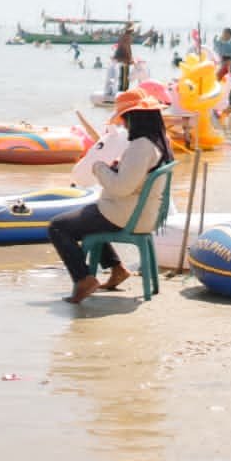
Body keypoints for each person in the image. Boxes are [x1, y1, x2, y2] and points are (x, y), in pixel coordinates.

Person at [49, 89, 173, 304]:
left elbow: (121, 188)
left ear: (134, 118)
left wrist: (100, 168)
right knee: (87, 217)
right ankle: (117, 269)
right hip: (143, 212)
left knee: (58, 227)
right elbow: (134, 179)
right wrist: (118, 168)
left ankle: (83, 279)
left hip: (126, 213)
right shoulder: (159, 141)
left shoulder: (140, 146)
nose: (124, 124)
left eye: (125, 119)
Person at [112, 26, 135, 92]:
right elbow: (127, 48)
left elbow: (125, 47)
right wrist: (130, 58)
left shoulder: (122, 36)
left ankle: (121, 89)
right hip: (124, 59)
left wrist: (130, 57)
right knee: (125, 75)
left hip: (120, 58)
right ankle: (124, 90)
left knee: (122, 74)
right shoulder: (127, 37)